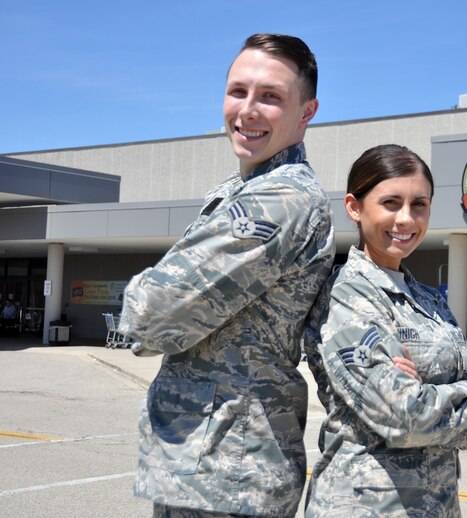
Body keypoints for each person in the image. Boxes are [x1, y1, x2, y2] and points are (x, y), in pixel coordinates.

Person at [118, 33, 334, 517]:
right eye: (238, 91)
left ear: (307, 112)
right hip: (213, 464)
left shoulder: (279, 201)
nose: (248, 110)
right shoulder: (243, 189)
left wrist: (140, 296)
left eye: (271, 96)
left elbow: (152, 315)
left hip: (230, 472)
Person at [304, 144, 467, 516]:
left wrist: (431, 391)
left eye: (419, 204)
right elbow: (406, 417)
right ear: (354, 207)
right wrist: (465, 394)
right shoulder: (347, 295)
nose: (407, 219)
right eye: (390, 203)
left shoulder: (429, 300)